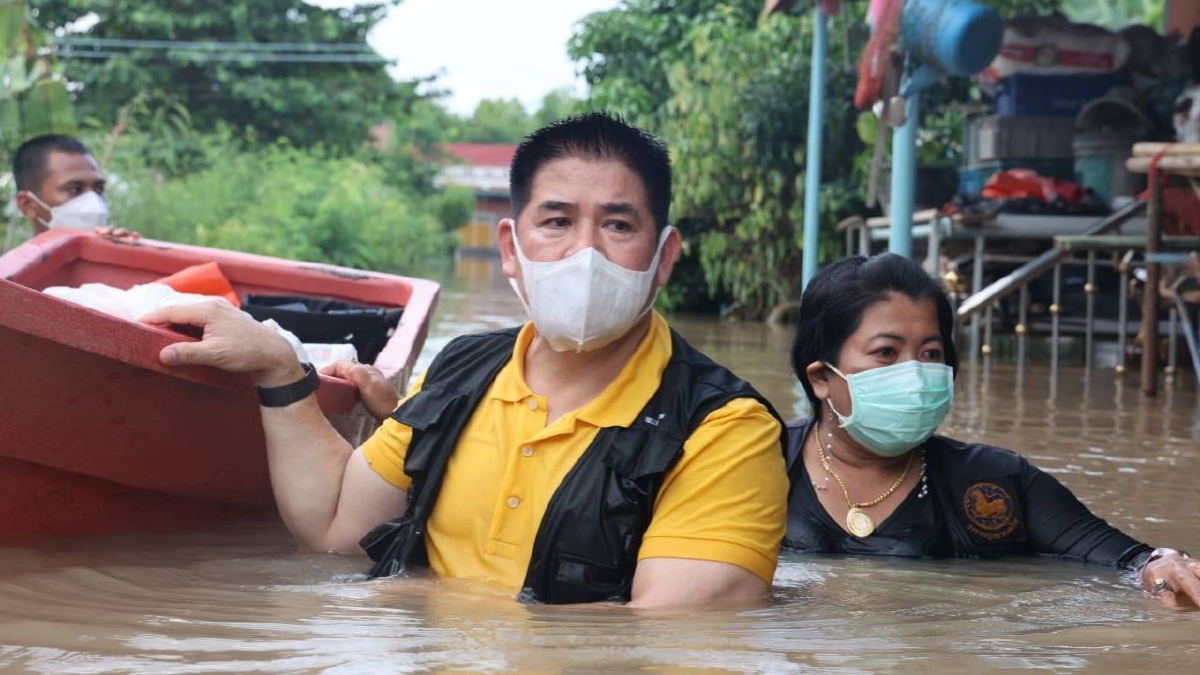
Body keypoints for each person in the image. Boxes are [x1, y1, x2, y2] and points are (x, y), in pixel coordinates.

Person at [140, 113, 789, 608]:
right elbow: (336, 529)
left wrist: (411, 595)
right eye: (556, 221)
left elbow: (665, 638)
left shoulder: (722, 428)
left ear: (665, 256)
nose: (583, 253)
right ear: (511, 248)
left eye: (618, 226)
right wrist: (280, 369)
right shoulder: (461, 368)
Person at [784, 253, 1199, 608]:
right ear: (821, 377)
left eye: (930, 353)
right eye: (886, 353)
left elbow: (1129, 561)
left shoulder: (993, 483)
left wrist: (1162, 564)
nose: (914, 373)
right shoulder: (756, 462)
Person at [12, 134, 111, 235]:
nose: (94, 204)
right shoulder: (25, 252)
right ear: (28, 205)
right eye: (75, 190)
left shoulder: (113, 249)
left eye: (99, 189)